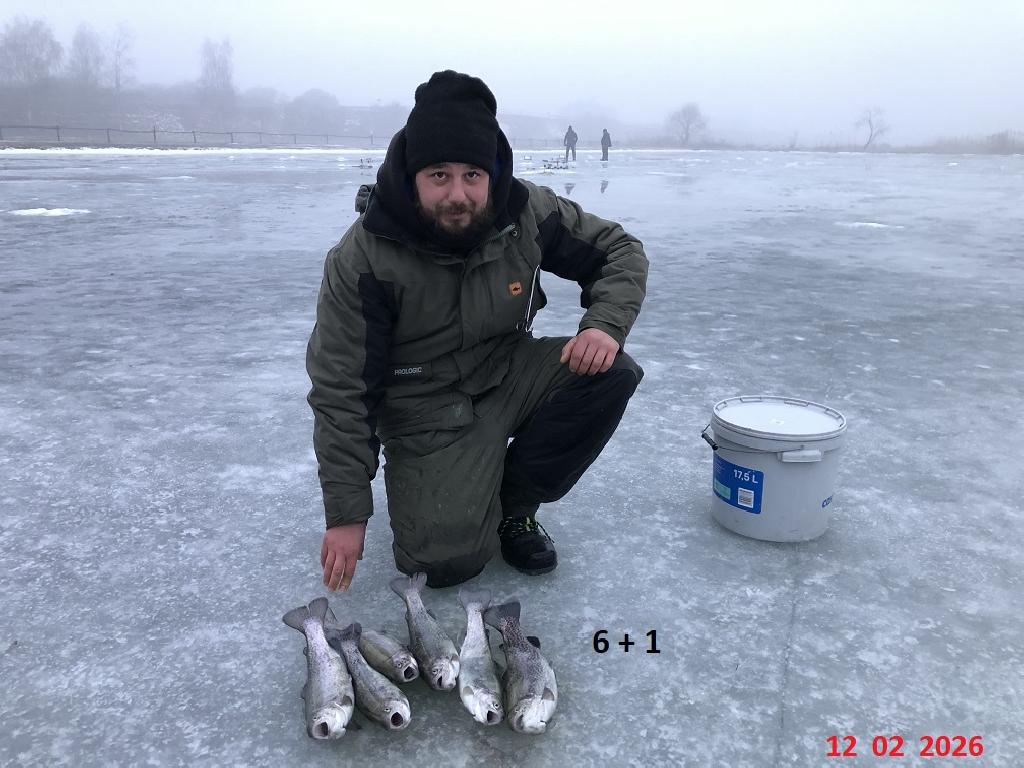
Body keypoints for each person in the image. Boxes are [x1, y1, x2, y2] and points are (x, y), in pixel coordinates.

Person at [307, 71, 648, 591]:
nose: (458, 194)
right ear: (412, 176)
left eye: (472, 174)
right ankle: (464, 487)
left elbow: (619, 250)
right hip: (424, 404)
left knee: (609, 371)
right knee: (441, 564)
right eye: (439, 175)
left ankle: (515, 505)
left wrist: (604, 326)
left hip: (509, 371)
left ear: (493, 173)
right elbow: (342, 389)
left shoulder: (525, 212)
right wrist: (346, 512)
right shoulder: (363, 257)